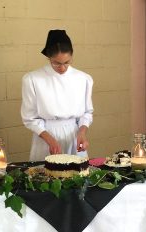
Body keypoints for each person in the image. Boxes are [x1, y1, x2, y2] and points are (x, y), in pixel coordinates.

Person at [21, 30, 93, 161]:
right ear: (48, 58)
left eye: (67, 62)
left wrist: (82, 132)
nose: (62, 68)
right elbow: (30, 118)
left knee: (79, 176)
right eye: (57, 63)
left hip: (74, 136)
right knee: (46, 176)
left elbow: (87, 113)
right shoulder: (32, 79)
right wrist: (51, 140)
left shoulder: (83, 79)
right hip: (46, 136)